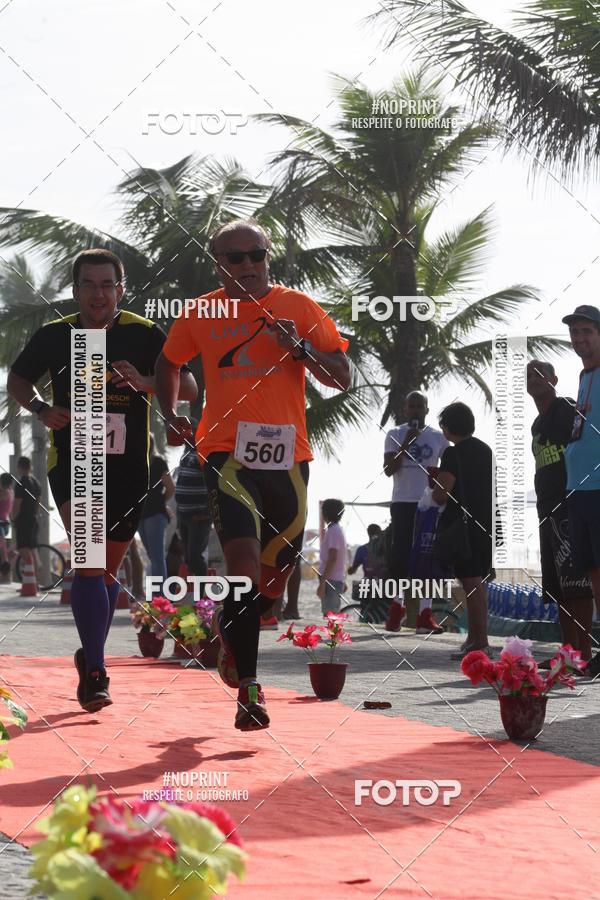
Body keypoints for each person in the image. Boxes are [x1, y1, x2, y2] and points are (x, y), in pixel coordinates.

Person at [154, 217, 350, 731]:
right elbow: (169, 363)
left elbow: (342, 377)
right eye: (233, 258)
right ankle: (249, 689)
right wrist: (173, 414)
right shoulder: (201, 311)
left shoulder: (298, 307)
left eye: (255, 255)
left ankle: (228, 623)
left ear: (268, 257)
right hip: (225, 453)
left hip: (288, 459)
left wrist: (301, 350)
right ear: (219, 264)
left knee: (273, 578)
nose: (246, 265)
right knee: (241, 565)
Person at [8, 248, 196, 712]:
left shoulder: (144, 332)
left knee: (107, 571)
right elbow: (17, 379)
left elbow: (188, 387)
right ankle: (95, 670)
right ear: (75, 291)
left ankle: (88, 653)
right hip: (73, 461)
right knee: (90, 565)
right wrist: (40, 409)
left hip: (131, 468)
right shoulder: (56, 334)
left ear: (121, 288)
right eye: (88, 285)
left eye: (106, 284)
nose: (98, 293)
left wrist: (149, 383)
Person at [527, 359, 594, 663]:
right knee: (558, 588)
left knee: (578, 585)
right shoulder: (537, 424)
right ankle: (567, 653)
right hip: (546, 510)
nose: (534, 379)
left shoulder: (566, 408)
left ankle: (583, 653)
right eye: (529, 375)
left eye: (540, 374)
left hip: (569, 506)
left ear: (554, 378)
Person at [431, 402, 494, 658]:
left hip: (462, 527)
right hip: (485, 523)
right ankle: (475, 638)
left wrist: (434, 484)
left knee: (471, 584)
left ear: (447, 428)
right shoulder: (485, 450)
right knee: (478, 583)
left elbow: (441, 494)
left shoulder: (452, 454)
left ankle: (480, 643)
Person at [383, 391, 449, 631]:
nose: (415, 410)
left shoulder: (438, 437)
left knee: (427, 557)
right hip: (402, 501)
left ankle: (425, 613)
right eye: (411, 406)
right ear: (405, 410)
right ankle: (395, 610)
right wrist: (406, 444)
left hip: (429, 504)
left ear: (427, 410)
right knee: (400, 556)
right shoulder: (394, 434)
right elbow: (389, 469)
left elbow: (449, 467)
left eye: (420, 406)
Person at [561, 305, 600, 678]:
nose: (580, 339)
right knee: (591, 570)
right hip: (579, 487)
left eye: (587, 331)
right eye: (575, 333)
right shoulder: (584, 375)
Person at [138, 434, 174, 596]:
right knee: (152, 556)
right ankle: (156, 595)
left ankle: (161, 597)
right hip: (139, 514)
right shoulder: (135, 462)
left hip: (155, 514)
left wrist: (161, 502)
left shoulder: (158, 462)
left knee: (158, 557)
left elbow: (170, 487)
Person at [175, 429, 211, 577]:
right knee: (189, 559)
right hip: (184, 514)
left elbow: (214, 483)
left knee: (195, 557)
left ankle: (201, 597)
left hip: (198, 516)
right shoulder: (187, 453)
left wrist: (206, 513)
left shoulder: (206, 454)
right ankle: (193, 595)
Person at [11, 457, 42, 582]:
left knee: (23, 548)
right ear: (30, 467)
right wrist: (34, 514)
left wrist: (13, 518)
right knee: (31, 549)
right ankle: (34, 581)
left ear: (19, 467)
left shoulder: (21, 483)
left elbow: (17, 504)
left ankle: (31, 582)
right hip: (33, 519)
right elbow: (38, 502)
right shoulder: (36, 482)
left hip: (23, 520)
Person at [318, 499, 348, 615]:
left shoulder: (333, 531)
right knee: (332, 615)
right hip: (336, 578)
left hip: (331, 580)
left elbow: (333, 558)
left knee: (331, 616)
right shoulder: (337, 529)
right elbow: (342, 558)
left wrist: (323, 582)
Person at [0, 473, 14, 578]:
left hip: (1, 524)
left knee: (3, 551)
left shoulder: (3, 492)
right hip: (6, 524)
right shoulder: (11, 492)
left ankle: (5, 563)